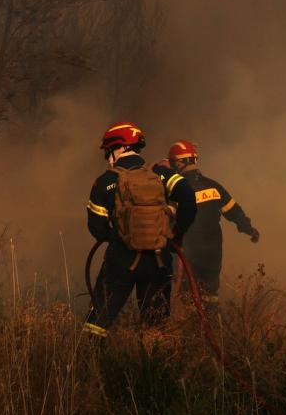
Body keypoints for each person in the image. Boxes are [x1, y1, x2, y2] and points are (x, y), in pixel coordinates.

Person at [83, 122, 197, 337]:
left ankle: (91, 364)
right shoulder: (161, 173)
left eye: (108, 152)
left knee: (96, 324)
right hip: (159, 261)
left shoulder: (104, 181)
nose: (108, 158)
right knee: (155, 329)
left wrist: (120, 237)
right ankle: (153, 367)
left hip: (121, 261)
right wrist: (175, 235)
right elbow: (189, 199)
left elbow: (96, 228)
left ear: (118, 149)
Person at [167, 139, 259, 308]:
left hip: (188, 251)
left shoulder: (176, 191)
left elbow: (166, 219)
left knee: (189, 295)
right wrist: (249, 229)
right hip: (213, 250)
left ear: (179, 163)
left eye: (173, 163)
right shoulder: (213, 186)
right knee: (210, 294)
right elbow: (234, 212)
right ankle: (213, 327)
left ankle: (193, 329)